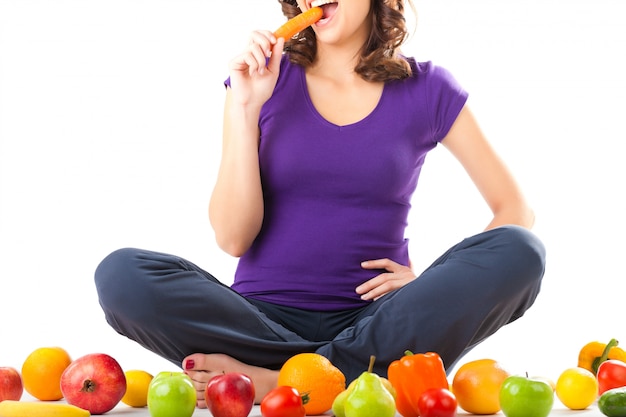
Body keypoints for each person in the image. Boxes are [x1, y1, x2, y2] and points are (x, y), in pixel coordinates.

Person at [94, 0, 546, 408]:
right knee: (122, 275)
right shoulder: (260, 80)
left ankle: (276, 382)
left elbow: (515, 211)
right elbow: (233, 238)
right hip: (258, 321)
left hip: (380, 321)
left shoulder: (429, 88)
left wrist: (428, 281)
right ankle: (344, 376)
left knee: (521, 252)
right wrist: (245, 107)